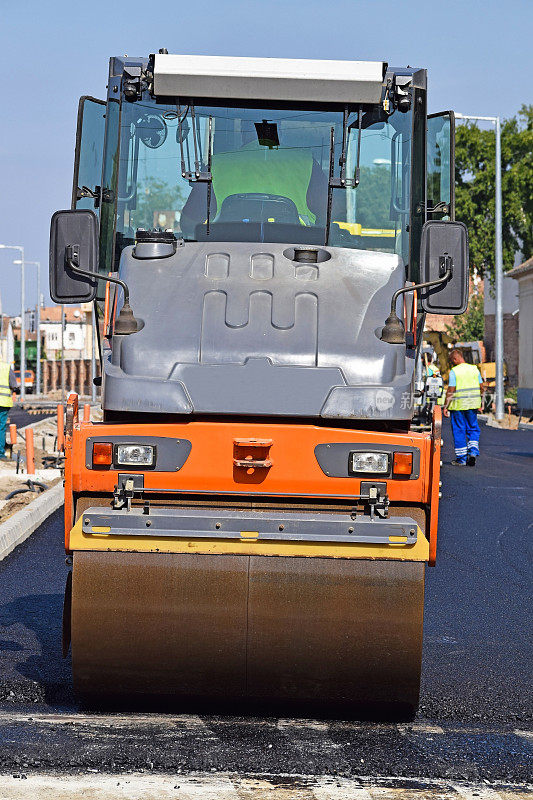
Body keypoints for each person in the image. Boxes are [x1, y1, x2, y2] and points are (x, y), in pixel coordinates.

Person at [180, 120, 328, 237]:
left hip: (227, 251)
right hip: (294, 255)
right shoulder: (306, 162)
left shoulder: (217, 165)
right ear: (278, 131)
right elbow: (331, 211)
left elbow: (188, 223)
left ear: (244, 133)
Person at [443, 349, 486, 466]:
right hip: (473, 404)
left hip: (458, 406)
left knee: (459, 430)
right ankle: (473, 452)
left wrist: (445, 406)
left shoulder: (454, 371)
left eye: (452, 361)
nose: (452, 363)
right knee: (473, 428)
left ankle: (461, 459)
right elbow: (482, 387)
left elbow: (451, 389)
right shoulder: (474, 369)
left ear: (456, 359)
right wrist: (482, 403)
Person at [0, 360, 18, 462]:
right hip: (3, 402)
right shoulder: (6, 368)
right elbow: (14, 385)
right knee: (1, 427)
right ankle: (0, 453)